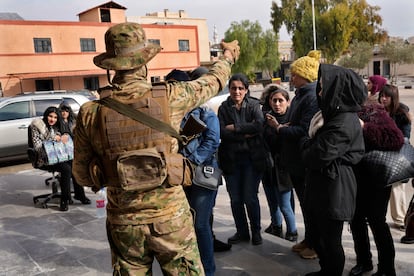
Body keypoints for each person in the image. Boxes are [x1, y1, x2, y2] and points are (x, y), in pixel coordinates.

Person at [72, 22, 239, 275]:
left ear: (110, 66)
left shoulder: (90, 113)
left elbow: (82, 176)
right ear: (144, 61)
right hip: (170, 218)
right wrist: (227, 56)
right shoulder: (171, 97)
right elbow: (213, 81)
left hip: (124, 223)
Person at [300, 64, 367, 276]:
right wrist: (309, 145)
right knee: (318, 238)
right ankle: (325, 270)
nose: (320, 92)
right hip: (323, 185)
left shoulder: (344, 121)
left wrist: (305, 143)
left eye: (322, 87)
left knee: (331, 241)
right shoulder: (332, 115)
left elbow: (316, 156)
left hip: (335, 189)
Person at [350, 99, 404, 276]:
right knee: (356, 221)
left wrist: (365, 126)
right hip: (354, 178)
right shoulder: (341, 112)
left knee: (377, 222)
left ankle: (387, 269)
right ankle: (364, 262)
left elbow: (396, 139)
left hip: (376, 179)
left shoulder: (373, 111)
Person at [279, 50, 320, 259]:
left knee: (311, 206)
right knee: (305, 205)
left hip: (304, 161)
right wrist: (287, 125)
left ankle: (316, 245)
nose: (292, 77)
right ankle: (309, 239)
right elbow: (297, 123)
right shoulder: (301, 94)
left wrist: (281, 129)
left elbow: (305, 130)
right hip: (295, 160)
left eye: (295, 74)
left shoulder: (311, 96)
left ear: (306, 75)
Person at [218, 73, 267, 246]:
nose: (237, 91)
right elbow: (222, 132)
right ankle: (242, 231)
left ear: (246, 90)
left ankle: (256, 231)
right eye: (233, 88)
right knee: (236, 199)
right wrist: (246, 133)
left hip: (252, 160)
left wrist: (236, 128)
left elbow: (259, 126)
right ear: (229, 89)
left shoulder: (254, 105)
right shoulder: (223, 108)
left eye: (240, 88)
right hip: (231, 159)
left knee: (250, 197)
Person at [261, 84, 297, 242]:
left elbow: (285, 142)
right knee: (272, 202)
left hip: (284, 170)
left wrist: (279, 128)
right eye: (273, 100)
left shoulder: (292, 119)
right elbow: (266, 140)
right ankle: (276, 226)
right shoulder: (267, 119)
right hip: (268, 167)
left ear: (288, 102)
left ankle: (292, 231)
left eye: (280, 100)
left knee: (284, 204)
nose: (276, 104)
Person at [29, 106, 74, 211]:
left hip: (58, 156)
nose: (52, 119)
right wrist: (53, 138)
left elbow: (62, 138)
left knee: (73, 163)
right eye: (50, 116)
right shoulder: (36, 126)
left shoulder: (56, 126)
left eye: (55, 117)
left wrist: (64, 137)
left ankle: (77, 195)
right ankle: (65, 199)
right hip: (43, 158)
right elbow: (37, 147)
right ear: (46, 115)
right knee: (66, 169)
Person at [379, 84, 411, 232]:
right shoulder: (376, 111)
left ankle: (400, 219)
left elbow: (405, 138)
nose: (383, 99)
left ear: (394, 98)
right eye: (382, 96)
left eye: (387, 96)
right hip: (380, 156)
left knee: (397, 188)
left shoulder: (402, 114)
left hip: (398, 157)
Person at [58, 102, 90, 205]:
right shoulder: (57, 122)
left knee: (76, 169)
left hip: (72, 151)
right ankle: (66, 198)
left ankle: (80, 195)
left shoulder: (73, 121)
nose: (64, 113)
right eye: (62, 110)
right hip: (60, 153)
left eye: (66, 110)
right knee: (67, 170)